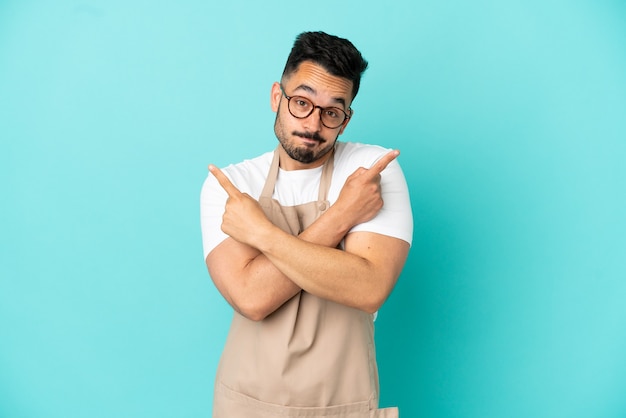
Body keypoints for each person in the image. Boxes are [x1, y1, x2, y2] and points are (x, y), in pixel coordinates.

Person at [200, 31, 413, 418]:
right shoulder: (234, 183)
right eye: (301, 102)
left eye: (332, 111)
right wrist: (342, 216)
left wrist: (261, 233)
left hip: (343, 404)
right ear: (276, 98)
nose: (313, 124)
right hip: (246, 404)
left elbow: (368, 287)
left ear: (345, 121)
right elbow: (251, 298)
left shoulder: (371, 171)